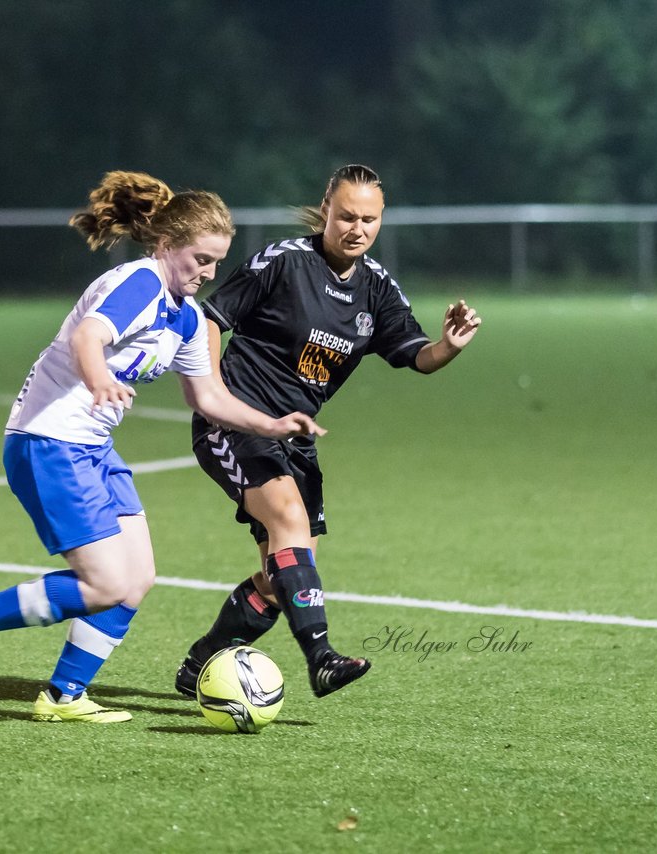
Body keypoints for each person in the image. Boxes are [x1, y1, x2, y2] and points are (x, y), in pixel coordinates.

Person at [0, 171, 325, 723]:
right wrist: (98, 380)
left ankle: (64, 695)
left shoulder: (186, 317)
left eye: (217, 262)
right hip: (48, 442)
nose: (208, 273)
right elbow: (86, 337)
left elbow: (208, 396)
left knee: (136, 578)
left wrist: (272, 423)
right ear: (166, 246)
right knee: (105, 582)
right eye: (199, 260)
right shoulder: (138, 284)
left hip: (91, 448)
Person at [172, 163, 483, 700]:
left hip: (296, 437)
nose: (356, 229)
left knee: (282, 579)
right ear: (326, 209)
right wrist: (216, 397)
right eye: (346, 216)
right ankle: (321, 658)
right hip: (239, 420)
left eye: (368, 219)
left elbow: (417, 356)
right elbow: (210, 318)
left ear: (381, 221)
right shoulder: (285, 262)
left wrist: (448, 347)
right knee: (289, 521)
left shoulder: (377, 288)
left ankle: (201, 662)